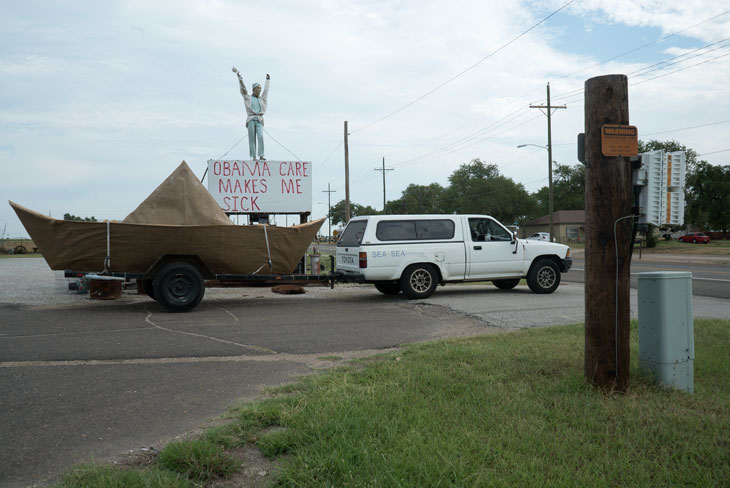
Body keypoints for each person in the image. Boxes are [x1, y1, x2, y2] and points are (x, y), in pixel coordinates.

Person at [236, 71, 270, 160]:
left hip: (259, 119)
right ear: (254, 89)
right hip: (251, 119)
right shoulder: (248, 98)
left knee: (260, 136)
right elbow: (243, 89)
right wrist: (240, 78)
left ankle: (261, 155)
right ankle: (253, 156)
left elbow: (266, 90)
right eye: (258, 88)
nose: (260, 90)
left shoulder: (262, 98)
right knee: (252, 138)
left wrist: (267, 80)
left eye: (260, 88)